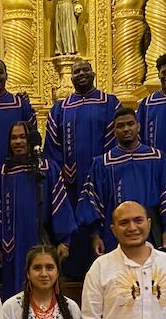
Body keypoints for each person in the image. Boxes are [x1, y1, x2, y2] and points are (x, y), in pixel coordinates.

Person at [44, 59, 119, 277]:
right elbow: (52, 143)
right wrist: (62, 168)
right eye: (77, 71)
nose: (81, 74)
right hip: (71, 182)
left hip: (103, 177)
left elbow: (115, 135)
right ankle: (73, 275)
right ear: (71, 77)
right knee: (73, 226)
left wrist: (101, 166)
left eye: (86, 70)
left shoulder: (109, 103)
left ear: (94, 73)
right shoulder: (61, 108)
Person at [0, 122, 77, 299]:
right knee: (15, 295)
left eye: (23, 137)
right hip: (11, 248)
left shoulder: (47, 169)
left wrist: (65, 241)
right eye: (14, 138)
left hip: (41, 240)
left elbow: (60, 206)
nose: (18, 141)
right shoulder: (0, 174)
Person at [79, 107, 166, 256]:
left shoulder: (156, 158)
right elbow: (93, 201)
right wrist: (96, 235)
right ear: (114, 130)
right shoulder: (103, 163)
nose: (126, 129)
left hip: (151, 230)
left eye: (130, 124)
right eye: (120, 126)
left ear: (138, 126)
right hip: (114, 233)